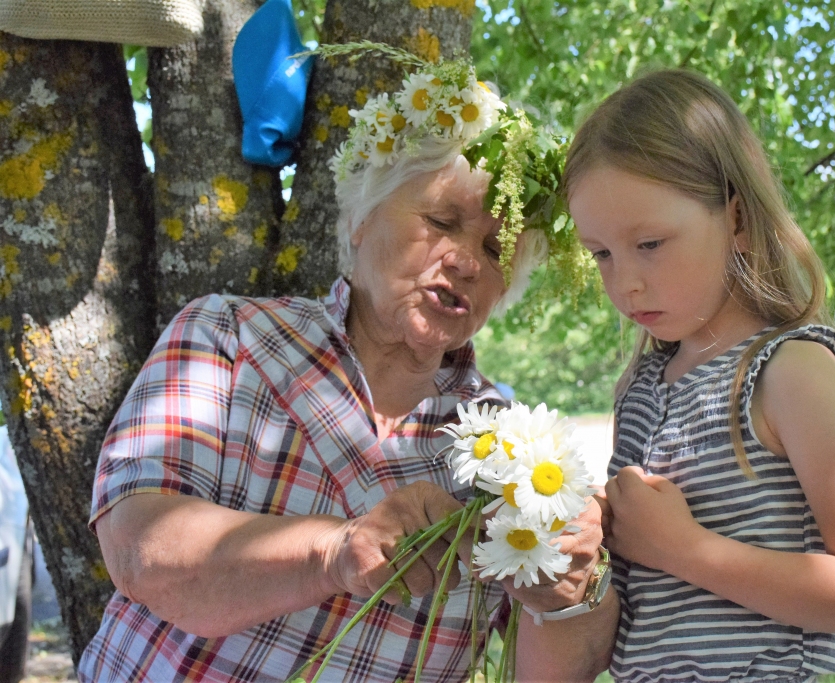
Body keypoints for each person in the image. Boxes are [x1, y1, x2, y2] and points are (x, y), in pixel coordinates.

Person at [78, 54, 603, 683]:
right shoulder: (230, 337)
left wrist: (563, 596)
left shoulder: (512, 454)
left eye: (497, 250)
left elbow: (540, 667)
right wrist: (333, 552)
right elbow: (140, 550)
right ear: (359, 218)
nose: (466, 261)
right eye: (441, 221)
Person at [516, 69, 835, 683]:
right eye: (602, 253)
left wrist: (684, 549)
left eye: (649, 243)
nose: (625, 282)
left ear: (737, 218)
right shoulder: (643, 390)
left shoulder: (789, 369)